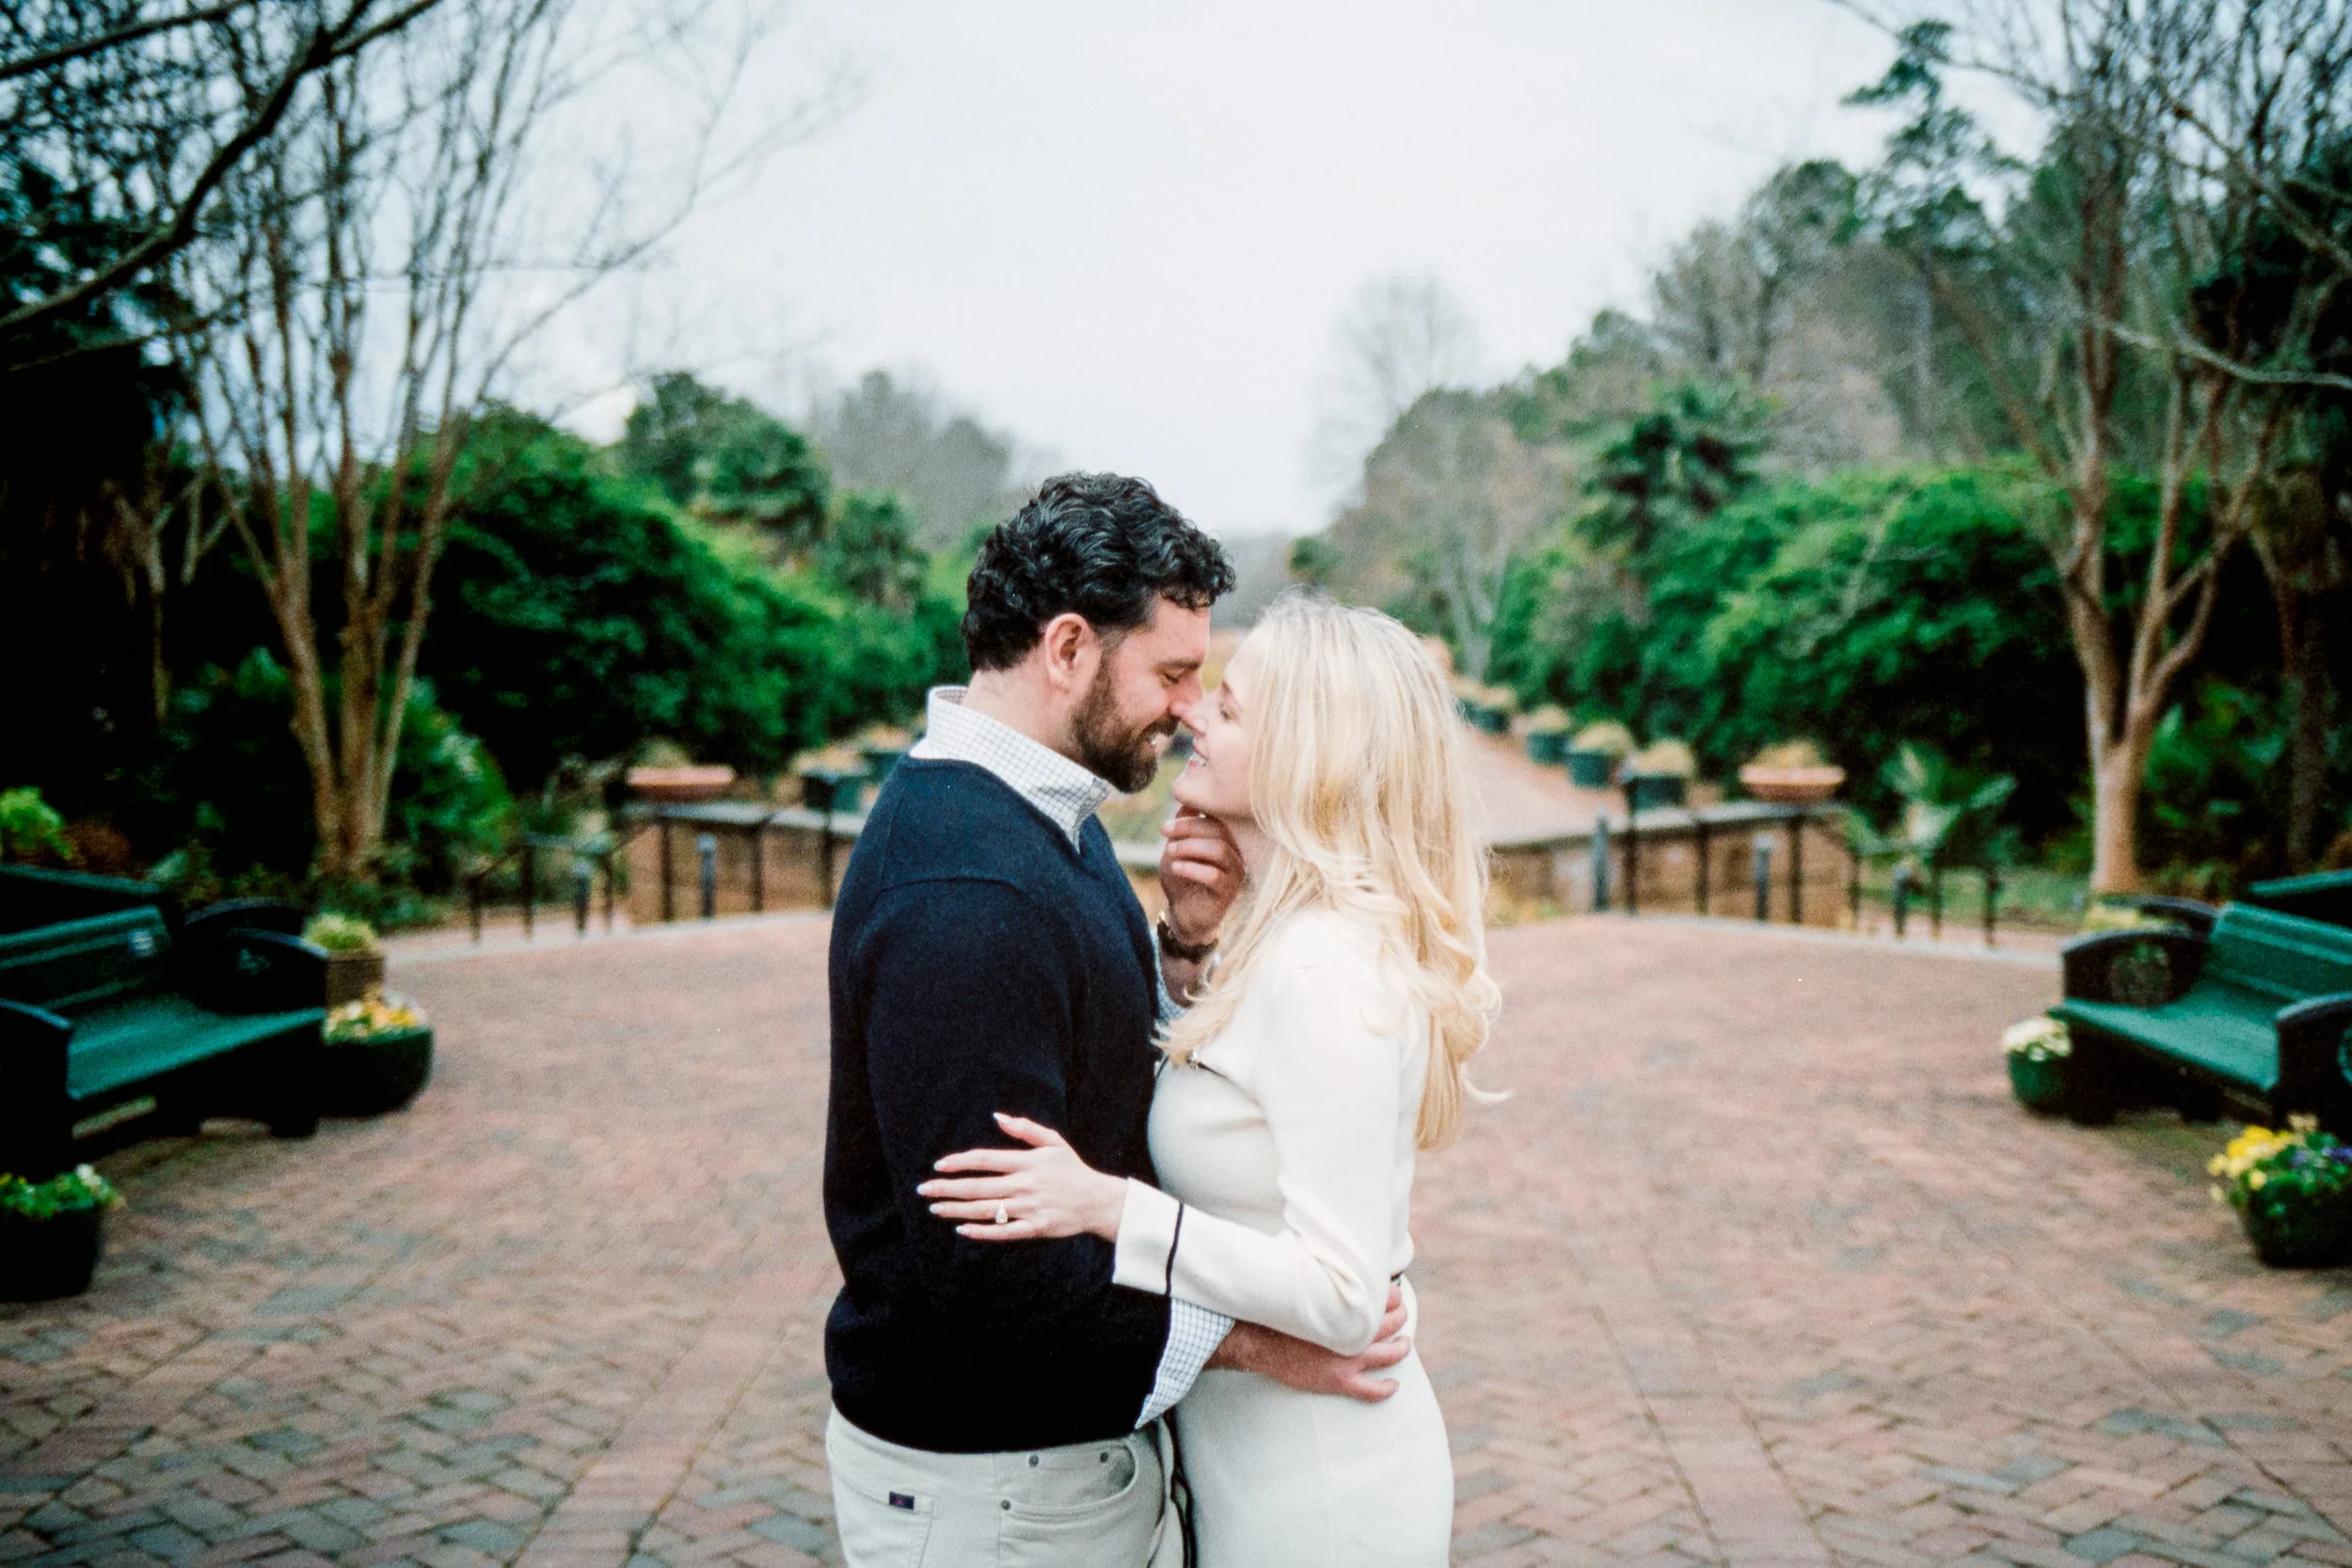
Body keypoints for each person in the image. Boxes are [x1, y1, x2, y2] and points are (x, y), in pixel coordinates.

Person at [821, 475, 1414, 1568]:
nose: (1191, 706)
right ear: (1066, 648)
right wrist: (1256, 1345)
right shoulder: (966, 895)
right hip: (994, 1489)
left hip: (1055, 1473)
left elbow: (1105, 1075)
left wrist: (1187, 946)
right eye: (1176, 672)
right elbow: (984, 1275)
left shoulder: (1046, 814)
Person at [923, 592, 1500, 1567]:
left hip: (1320, 1488)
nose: (1192, 713)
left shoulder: (1322, 967)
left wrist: (1106, 1206)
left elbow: (1342, 1295)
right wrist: (1192, 943)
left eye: (1228, 708)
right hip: (1249, 1459)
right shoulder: (1273, 941)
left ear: (1307, 753)